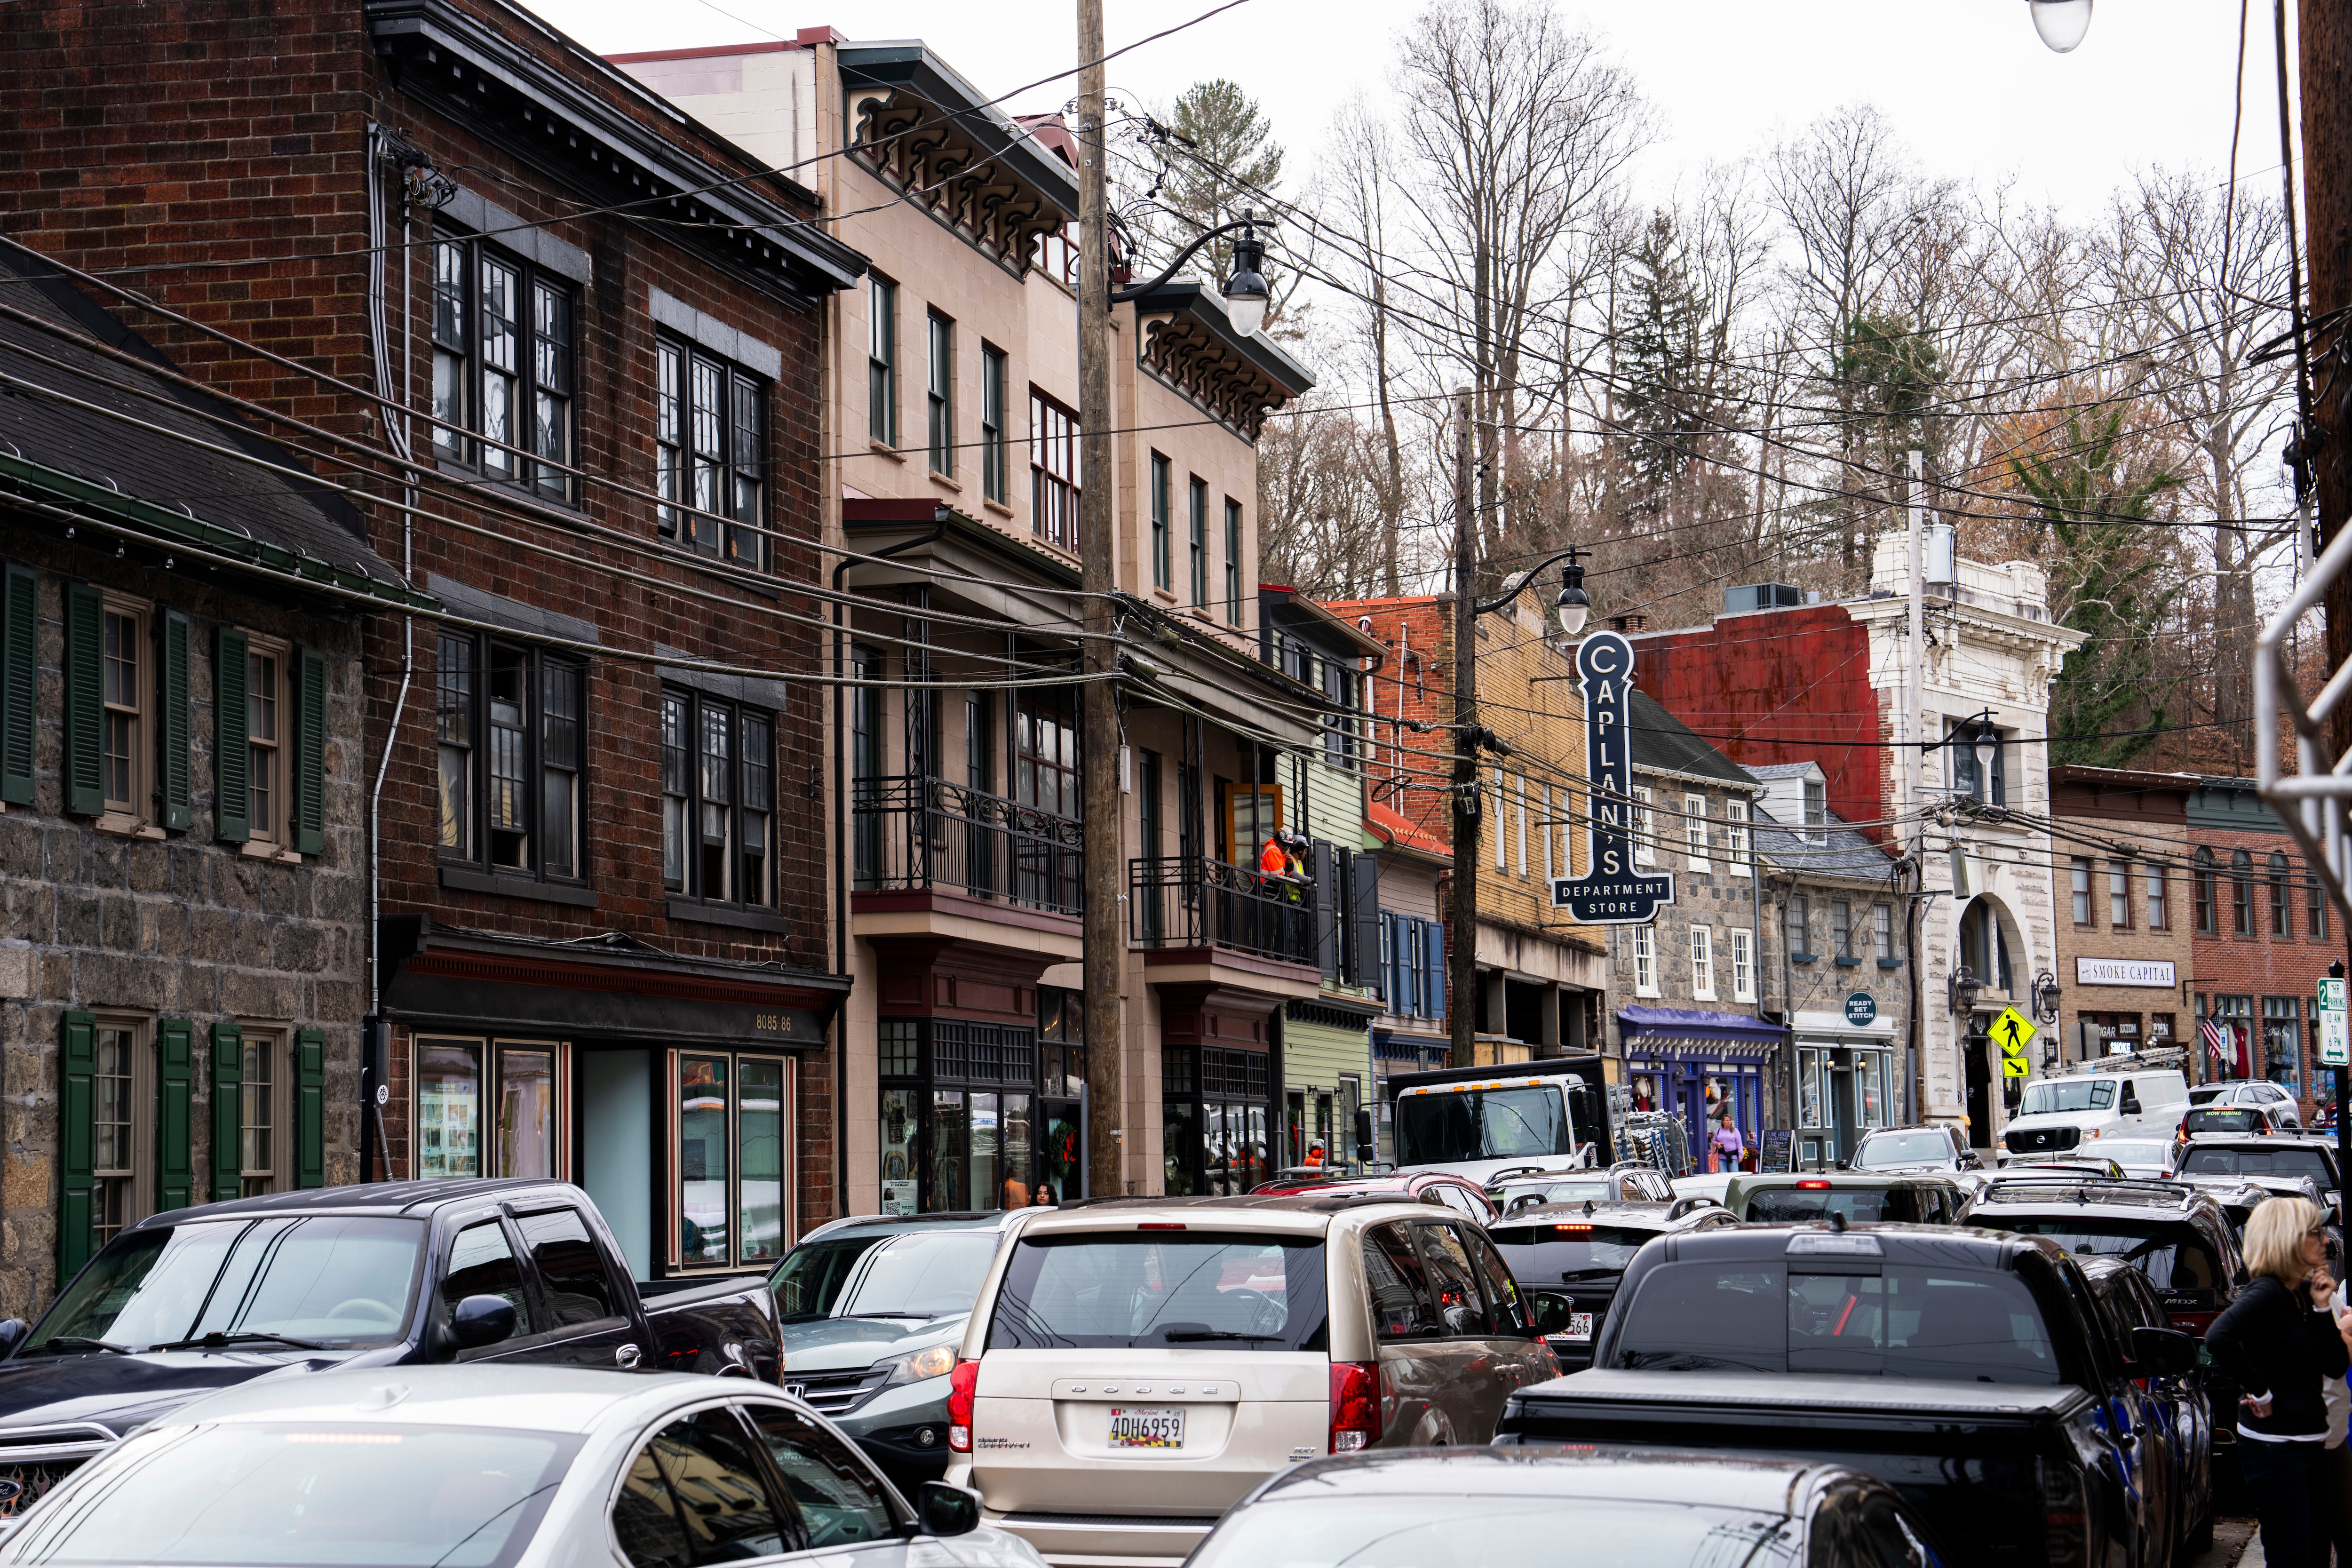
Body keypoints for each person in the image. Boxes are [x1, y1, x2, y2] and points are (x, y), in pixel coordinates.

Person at [2206, 1195, 2349, 1567]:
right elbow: (2219, 1336)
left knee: (2316, 1551)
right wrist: (2261, 1390)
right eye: (2315, 1233)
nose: (2326, 1241)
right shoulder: (2266, 1291)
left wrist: (2322, 1307)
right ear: (2289, 1239)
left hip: (2309, 1441)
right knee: (2292, 1555)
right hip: (2276, 1449)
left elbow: (2334, 1365)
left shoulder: (2302, 1293)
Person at [1710, 1111, 1744, 1175]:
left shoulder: (1735, 1131)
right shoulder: (1719, 1130)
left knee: (1735, 1174)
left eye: (1730, 1120)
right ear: (1723, 1122)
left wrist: (1741, 1155)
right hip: (1722, 1156)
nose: (1728, 1122)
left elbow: (1739, 1144)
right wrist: (1717, 1144)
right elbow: (1714, 1141)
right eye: (1727, 1120)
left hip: (1733, 1156)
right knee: (1723, 1175)